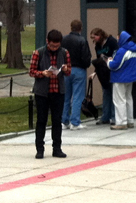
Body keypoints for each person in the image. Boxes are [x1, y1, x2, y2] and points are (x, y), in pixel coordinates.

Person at [28, 29, 71, 159]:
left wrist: (65, 69)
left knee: (57, 121)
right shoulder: (38, 53)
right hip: (42, 92)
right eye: (52, 46)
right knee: (41, 120)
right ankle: (39, 149)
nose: (54, 48)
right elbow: (31, 71)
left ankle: (57, 148)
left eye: (57, 46)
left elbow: (69, 71)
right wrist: (42, 73)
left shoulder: (64, 53)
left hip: (58, 91)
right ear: (47, 42)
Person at [61, 20, 92, 130]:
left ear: (71, 27)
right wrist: (86, 64)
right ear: (80, 28)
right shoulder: (82, 40)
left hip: (66, 69)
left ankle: (64, 121)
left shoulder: (63, 39)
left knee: (66, 96)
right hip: (79, 69)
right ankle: (75, 121)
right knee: (78, 96)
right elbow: (86, 57)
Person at [107, 30, 136, 130]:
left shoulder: (122, 50)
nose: (117, 39)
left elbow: (115, 65)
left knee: (119, 100)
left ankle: (121, 122)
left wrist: (108, 61)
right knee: (129, 99)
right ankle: (130, 121)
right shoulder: (135, 49)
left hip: (120, 78)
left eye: (118, 38)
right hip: (131, 78)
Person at [90, 27, 118, 125]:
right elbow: (98, 60)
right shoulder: (97, 46)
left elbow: (117, 54)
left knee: (114, 94)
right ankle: (105, 116)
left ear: (100, 35)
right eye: (93, 38)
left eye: (95, 37)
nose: (94, 39)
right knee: (106, 93)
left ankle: (114, 117)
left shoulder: (112, 42)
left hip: (112, 70)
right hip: (103, 72)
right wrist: (95, 72)